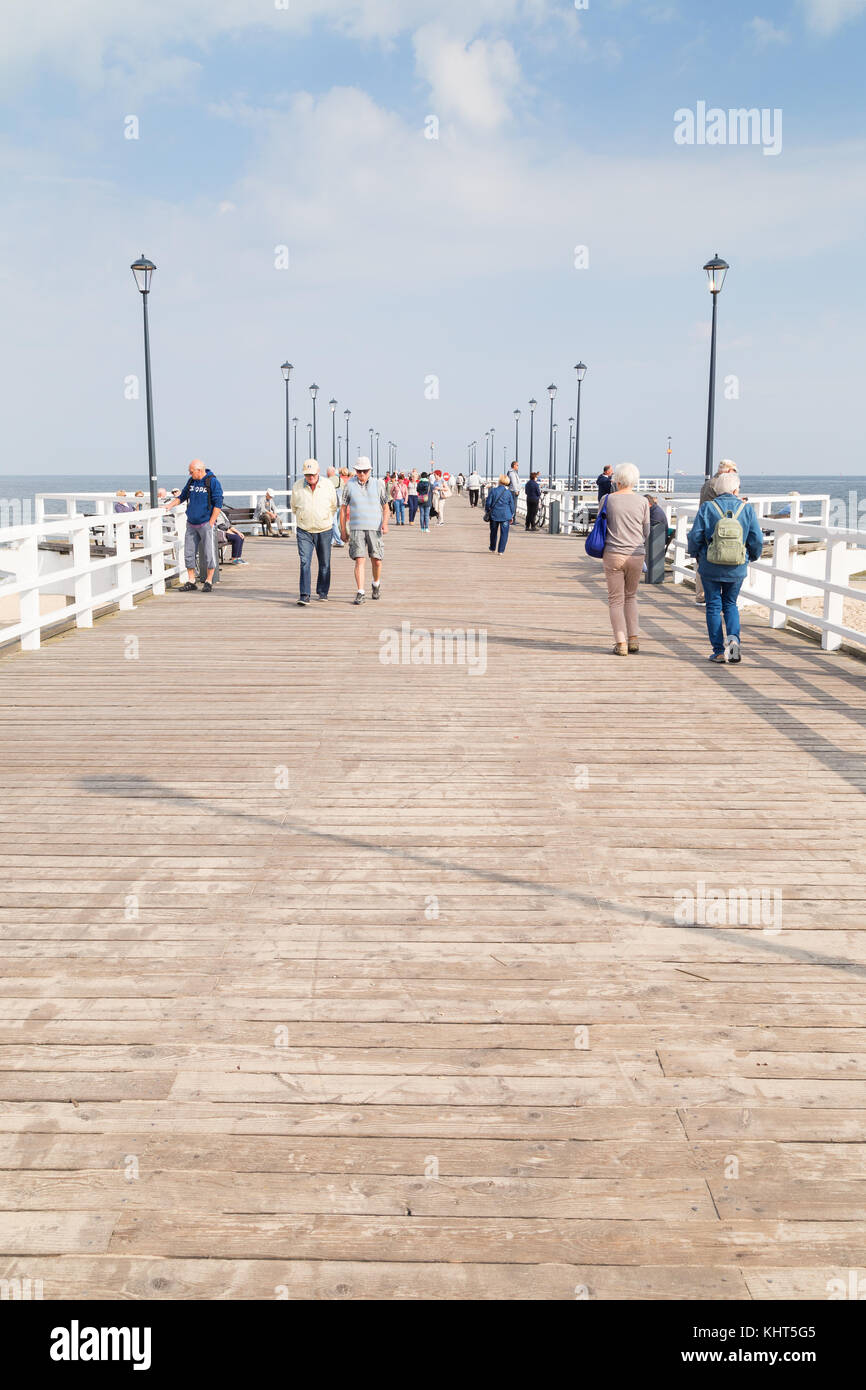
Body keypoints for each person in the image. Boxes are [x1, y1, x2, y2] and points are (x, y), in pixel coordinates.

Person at [687, 471, 763, 664]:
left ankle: (719, 651)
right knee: (730, 604)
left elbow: (695, 535)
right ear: (736, 489)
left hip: (710, 565)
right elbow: (756, 539)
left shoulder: (707, 508)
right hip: (736, 566)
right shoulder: (746, 509)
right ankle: (734, 641)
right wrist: (750, 557)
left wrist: (697, 555)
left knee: (713, 606)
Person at [603, 462, 650, 655]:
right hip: (636, 554)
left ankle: (620, 643)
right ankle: (633, 639)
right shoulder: (642, 501)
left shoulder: (608, 499)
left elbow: (601, 526)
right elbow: (646, 530)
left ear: (618, 480)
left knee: (615, 600)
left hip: (613, 553)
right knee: (631, 597)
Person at [163, 459, 224, 592]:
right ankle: (191, 580)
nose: (190, 474)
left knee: (209, 553)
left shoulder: (212, 482)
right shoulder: (191, 482)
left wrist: (211, 522)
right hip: (191, 523)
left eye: (191, 472)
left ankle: (208, 581)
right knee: (189, 553)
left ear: (199, 470)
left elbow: (218, 503)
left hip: (206, 523)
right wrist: (169, 506)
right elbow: (182, 496)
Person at [340, 457, 388, 604]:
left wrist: (385, 523)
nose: (362, 474)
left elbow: (385, 506)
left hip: (374, 527)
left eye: (365, 471)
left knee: (377, 560)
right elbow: (343, 509)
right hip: (356, 528)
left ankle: (376, 583)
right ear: (355, 471)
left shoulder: (378, 484)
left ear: (370, 471)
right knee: (359, 560)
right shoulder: (349, 485)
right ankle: (360, 591)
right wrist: (343, 529)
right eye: (359, 471)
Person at [291, 459, 338, 606]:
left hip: (324, 529)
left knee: (325, 563)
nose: (310, 477)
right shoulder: (297, 486)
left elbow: (333, 506)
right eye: (307, 474)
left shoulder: (328, 485)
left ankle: (323, 591)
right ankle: (304, 594)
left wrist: (324, 518)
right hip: (304, 530)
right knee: (305, 562)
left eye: (312, 474)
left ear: (318, 472)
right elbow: (293, 507)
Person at [694, 460, 740, 605]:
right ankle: (710, 597)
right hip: (720, 529)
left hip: (706, 529)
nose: (735, 474)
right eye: (734, 471)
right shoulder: (719, 484)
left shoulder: (707, 483)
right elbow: (725, 505)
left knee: (703, 562)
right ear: (727, 471)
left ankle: (702, 596)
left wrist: (693, 549)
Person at [486, 473, 516, 554]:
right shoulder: (508, 493)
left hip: (494, 515)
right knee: (504, 533)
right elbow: (512, 505)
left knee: (493, 532)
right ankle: (501, 551)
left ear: (499, 481)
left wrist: (487, 511)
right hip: (506, 515)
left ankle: (492, 548)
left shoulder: (493, 491)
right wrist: (512, 515)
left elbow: (488, 503)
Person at [332, 469, 349, 547]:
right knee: (338, 522)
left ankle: (340, 541)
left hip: (334, 503)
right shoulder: (341, 480)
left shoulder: (331, 480)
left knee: (333, 523)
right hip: (342, 503)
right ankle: (331, 540)